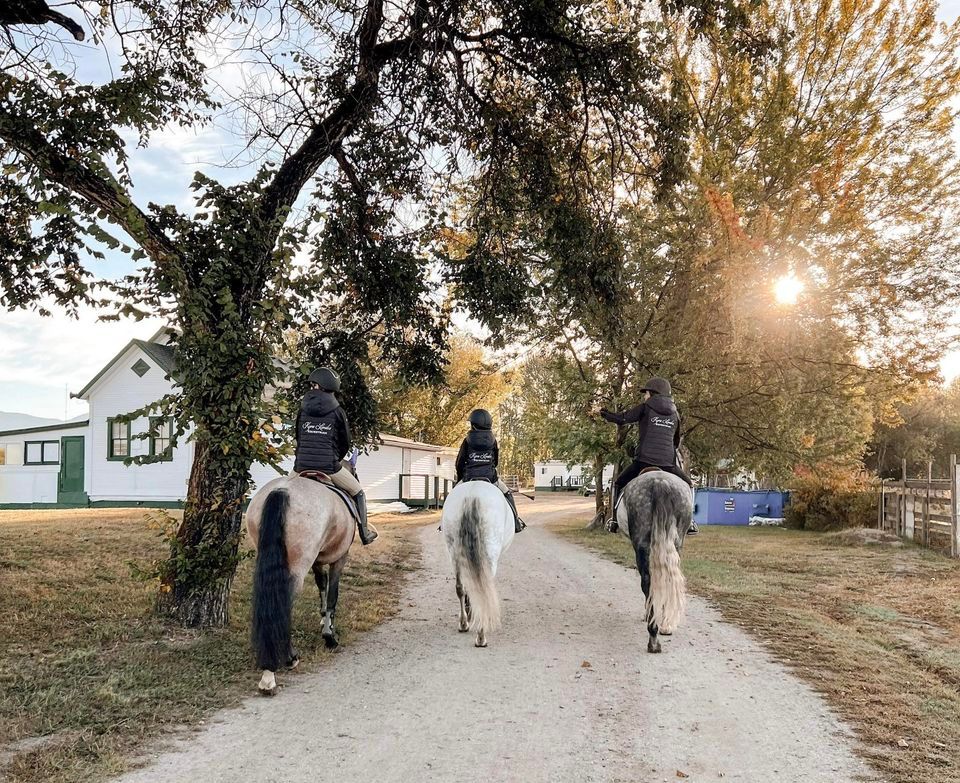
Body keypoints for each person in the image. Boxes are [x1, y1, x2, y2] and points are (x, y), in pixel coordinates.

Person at [599, 377, 699, 535]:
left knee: (617, 483)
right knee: (689, 485)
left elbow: (623, 418)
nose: (645, 397)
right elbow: (676, 441)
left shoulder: (645, 408)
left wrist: (606, 414)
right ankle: (691, 521)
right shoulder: (676, 414)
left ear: (652, 393)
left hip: (643, 461)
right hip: (668, 464)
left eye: (646, 393)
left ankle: (614, 521)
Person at [293, 367, 378, 545]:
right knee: (358, 492)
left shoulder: (302, 410)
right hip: (329, 467)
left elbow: (298, 438)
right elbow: (345, 442)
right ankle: (365, 533)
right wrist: (334, 459)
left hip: (300, 466)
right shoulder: (338, 411)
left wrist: (303, 459)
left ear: (316, 385)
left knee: (282, 490)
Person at [454, 408, 525, 533]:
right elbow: (496, 462)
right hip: (490, 479)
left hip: (469, 478)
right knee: (507, 493)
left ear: (473, 424)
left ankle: (444, 524)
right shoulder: (493, 441)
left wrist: (461, 478)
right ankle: (516, 522)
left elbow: (459, 462)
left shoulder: (467, 441)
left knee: (453, 497)